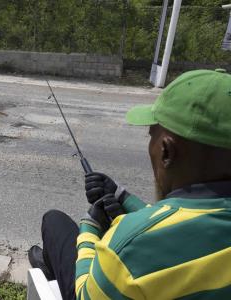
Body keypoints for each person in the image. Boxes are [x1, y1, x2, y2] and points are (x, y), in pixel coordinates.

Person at [28, 69, 231, 300]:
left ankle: (48, 266)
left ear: (166, 150)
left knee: (54, 221)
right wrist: (122, 196)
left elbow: (85, 295)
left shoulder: (129, 247)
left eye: (151, 134)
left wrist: (91, 226)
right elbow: (192, 222)